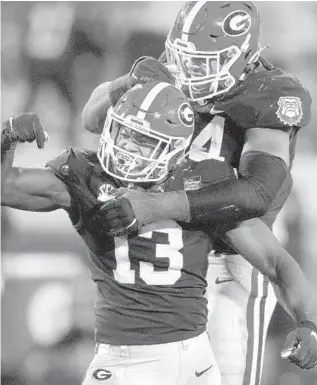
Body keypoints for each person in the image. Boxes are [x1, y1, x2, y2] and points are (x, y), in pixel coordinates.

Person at [2, 82, 317, 385]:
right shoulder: (90, 175)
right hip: (192, 361)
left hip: (134, 359)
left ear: (175, 149)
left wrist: (307, 321)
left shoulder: (200, 187)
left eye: (142, 140)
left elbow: (276, 261)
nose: (125, 147)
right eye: (123, 133)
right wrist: (7, 137)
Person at [81, 2, 312, 384]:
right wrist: (128, 82)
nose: (188, 71)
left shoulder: (273, 94)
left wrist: (156, 205)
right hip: (175, 246)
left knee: (228, 371)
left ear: (243, 57)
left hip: (236, 252)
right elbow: (91, 120)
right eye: (184, 57)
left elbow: (256, 193)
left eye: (204, 62)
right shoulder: (176, 67)